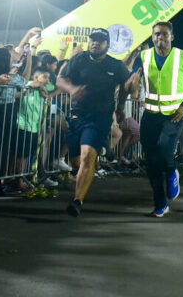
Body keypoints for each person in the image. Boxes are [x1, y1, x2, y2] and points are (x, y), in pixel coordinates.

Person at [54, 28, 131, 218]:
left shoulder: (116, 65)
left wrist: (121, 105)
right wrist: (72, 89)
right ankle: (100, 152)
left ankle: (77, 201)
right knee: (76, 162)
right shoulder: (78, 59)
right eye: (93, 40)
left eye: (100, 40)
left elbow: (126, 85)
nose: (95, 43)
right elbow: (60, 80)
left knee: (87, 156)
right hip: (77, 116)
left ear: (107, 44)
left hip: (100, 117)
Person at [128, 21, 183, 217]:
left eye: (164, 34)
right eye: (156, 34)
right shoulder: (143, 57)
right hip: (150, 116)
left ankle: (172, 173)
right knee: (151, 161)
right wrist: (133, 85)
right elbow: (132, 85)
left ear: (172, 37)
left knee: (164, 149)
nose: (160, 38)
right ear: (152, 37)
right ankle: (160, 204)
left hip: (174, 115)